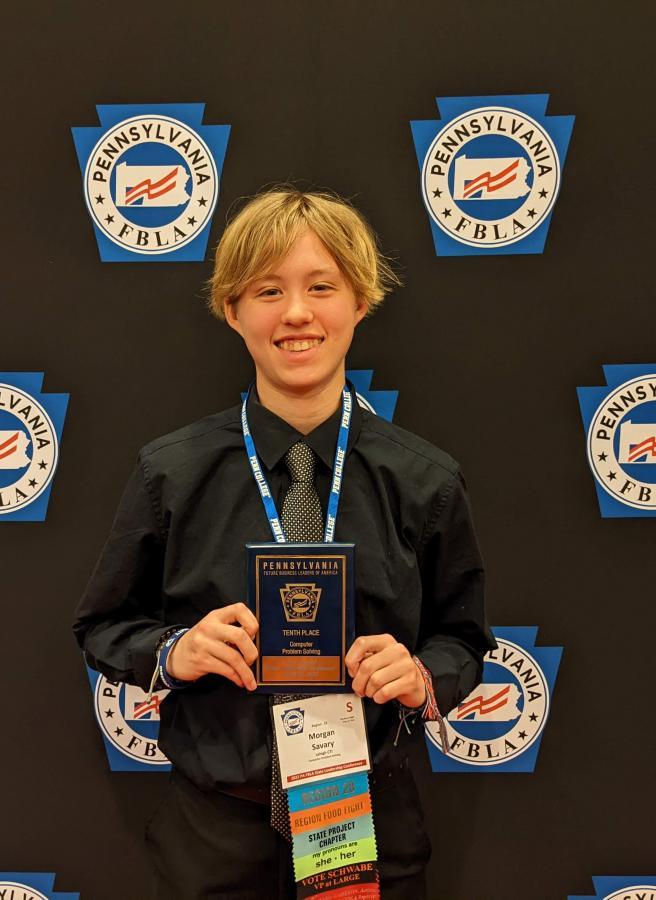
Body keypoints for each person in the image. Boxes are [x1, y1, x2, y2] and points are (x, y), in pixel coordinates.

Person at [73, 187, 494, 899]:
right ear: (232, 310)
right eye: (269, 290)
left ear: (360, 302)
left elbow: (464, 639)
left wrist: (422, 677)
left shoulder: (424, 480)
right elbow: (102, 627)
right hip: (214, 835)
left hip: (367, 822)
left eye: (321, 287)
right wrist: (174, 652)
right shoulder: (171, 475)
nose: (296, 313)